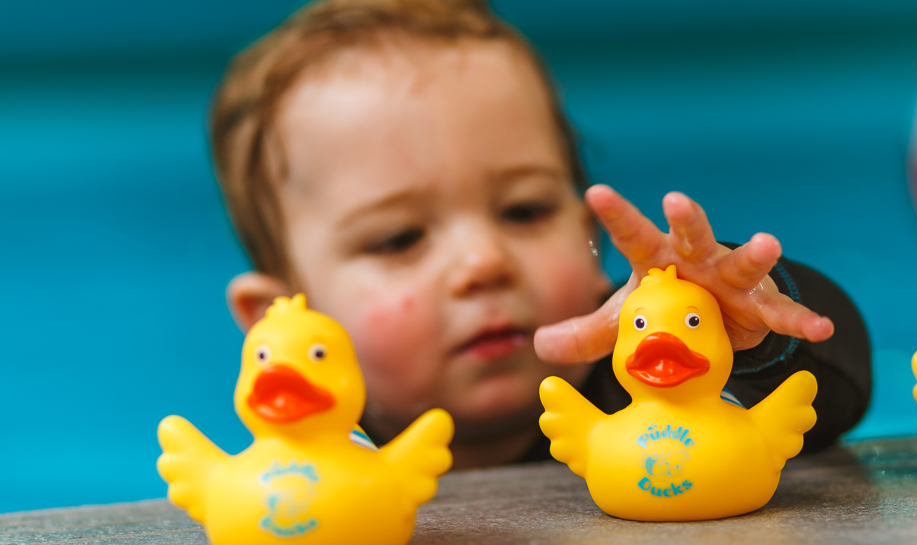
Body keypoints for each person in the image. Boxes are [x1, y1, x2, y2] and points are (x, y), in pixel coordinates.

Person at [210, 0, 871, 467]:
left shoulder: (649, 384)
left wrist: (739, 330)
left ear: (590, 240)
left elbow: (838, 393)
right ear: (278, 316)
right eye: (399, 238)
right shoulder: (301, 469)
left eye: (525, 211)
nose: (483, 261)